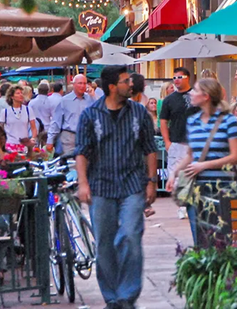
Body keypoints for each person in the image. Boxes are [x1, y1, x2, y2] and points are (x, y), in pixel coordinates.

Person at [76, 66, 158, 309]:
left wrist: (151, 182)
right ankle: (112, 297)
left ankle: (127, 294)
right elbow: (82, 151)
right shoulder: (90, 115)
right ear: (112, 87)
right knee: (104, 242)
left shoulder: (139, 113)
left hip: (132, 183)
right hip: (101, 186)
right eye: (125, 81)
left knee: (131, 235)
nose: (130, 84)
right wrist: (83, 183)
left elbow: (149, 148)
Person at [168, 78, 237, 245]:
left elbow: (236, 156)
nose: (191, 94)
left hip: (221, 187)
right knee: (200, 239)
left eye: (195, 90)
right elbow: (191, 155)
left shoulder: (228, 121)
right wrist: (174, 172)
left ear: (206, 96)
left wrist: (204, 165)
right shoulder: (192, 122)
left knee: (220, 239)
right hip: (197, 187)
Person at [159, 67, 194, 219]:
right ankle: (182, 205)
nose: (177, 80)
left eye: (180, 77)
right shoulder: (169, 100)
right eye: (174, 78)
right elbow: (163, 121)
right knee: (177, 175)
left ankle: (190, 202)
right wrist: (167, 142)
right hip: (177, 142)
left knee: (192, 174)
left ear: (187, 78)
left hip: (194, 142)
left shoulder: (196, 96)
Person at [47, 74, 95, 155]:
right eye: (80, 83)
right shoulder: (64, 100)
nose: (82, 86)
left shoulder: (91, 99)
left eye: (84, 83)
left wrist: (93, 96)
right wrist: (50, 140)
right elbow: (56, 121)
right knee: (71, 163)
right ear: (74, 84)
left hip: (86, 136)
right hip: (69, 137)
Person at [0, 85, 37, 153]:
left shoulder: (28, 110)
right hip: (9, 145)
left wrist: (33, 138)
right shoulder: (5, 112)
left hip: (24, 145)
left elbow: (33, 127)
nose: (21, 95)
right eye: (18, 93)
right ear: (12, 96)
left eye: (21, 93)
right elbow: (0, 129)